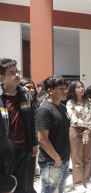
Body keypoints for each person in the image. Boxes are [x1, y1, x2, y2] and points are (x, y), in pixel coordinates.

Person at [0, 58, 38, 193]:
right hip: (5, 152)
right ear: (2, 78)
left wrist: (34, 143)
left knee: (23, 186)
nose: (17, 75)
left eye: (17, 71)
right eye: (11, 72)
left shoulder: (25, 95)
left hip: (24, 148)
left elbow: (32, 121)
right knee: (7, 186)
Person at [35, 75, 70, 193]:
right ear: (50, 90)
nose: (65, 91)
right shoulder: (44, 110)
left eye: (66, 88)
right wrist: (57, 158)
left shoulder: (62, 107)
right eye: (61, 88)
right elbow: (42, 139)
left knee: (60, 189)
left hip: (63, 158)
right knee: (50, 190)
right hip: (52, 162)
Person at [66, 80, 91, 192]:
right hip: (76, 131)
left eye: (82, 86)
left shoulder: (88, 101)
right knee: (77, 159)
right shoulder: (70, 103)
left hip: (88, 132)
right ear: (73, 89)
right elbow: (74, 120)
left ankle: (86, 180)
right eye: (78, 87)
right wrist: (88, 126)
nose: (81, 89)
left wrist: (89, 128)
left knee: (87, 157)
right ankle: (78, 183)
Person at [19, 77, 40, 193]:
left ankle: (30, 188)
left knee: (31, 168)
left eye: (33, 87)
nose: (31, 90)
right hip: (23, 143)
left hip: (35, 141)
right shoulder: (20, 103)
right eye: (28, 87)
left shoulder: (35, 102)